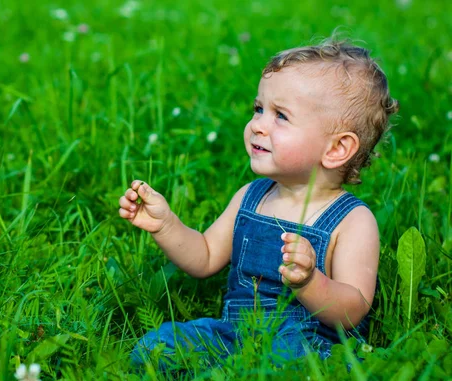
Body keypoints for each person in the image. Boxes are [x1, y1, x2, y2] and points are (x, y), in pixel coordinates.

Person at [118, 39, 399, 368]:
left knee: (288, 361)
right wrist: (165, 226)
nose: (257, 126)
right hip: (235, 335)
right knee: (157, 347)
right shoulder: (252, 197)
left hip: (308, 346)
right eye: (258, 109)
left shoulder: (352, 221)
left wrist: (310, 282)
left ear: (336, 149)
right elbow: (204, 258)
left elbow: (353, 309)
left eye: (281, 116)